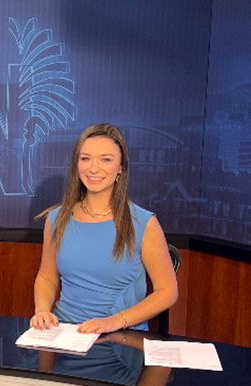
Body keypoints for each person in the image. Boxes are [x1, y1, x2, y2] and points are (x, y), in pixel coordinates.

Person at [31, 123, 177, 333]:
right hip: (66, 333)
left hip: (121, 337)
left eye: (105, 159)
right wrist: (42, 310)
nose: (93, 168)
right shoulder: (56, 218)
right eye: (85, 158)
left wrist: (115, 321)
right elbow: (47, 276)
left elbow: (168, 291)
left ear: (120, 167)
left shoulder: (144, 223)